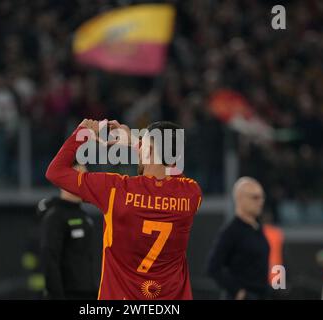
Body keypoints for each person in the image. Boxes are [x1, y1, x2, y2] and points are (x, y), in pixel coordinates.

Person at [45, 119, 202, 300]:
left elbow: (55, 171)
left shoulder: (115, 189)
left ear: (149, 150)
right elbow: (171, 171)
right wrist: (138, 143)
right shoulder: (191, 194)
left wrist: (81, 133)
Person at [39, 163, 97, 300]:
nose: (85, 183)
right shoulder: (55, 216)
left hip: (88, 293)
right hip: (67, 294)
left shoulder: (85, 216)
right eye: (80, 178)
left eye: (87, 178)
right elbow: (49, 259)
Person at [207, 177, 270, 300]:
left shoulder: (257, 228)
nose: (260, 202)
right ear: (240, 198)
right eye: (255, 197)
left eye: (262, 197)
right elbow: (213, 267)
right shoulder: (232, 231)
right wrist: (238, 292)